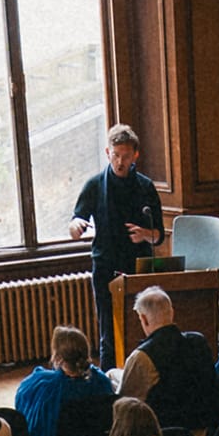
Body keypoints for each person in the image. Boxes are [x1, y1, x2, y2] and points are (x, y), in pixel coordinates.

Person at [68, 120, 166, 365]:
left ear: (136, 155)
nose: (120, 162)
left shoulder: (145, 187)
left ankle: (140, 371)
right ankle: (110, 376)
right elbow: (74, 222)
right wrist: (77, 226)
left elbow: (159, 235)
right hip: (105, 264)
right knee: (107, 330)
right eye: (116, 155)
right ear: (107, 153)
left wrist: (145, 234)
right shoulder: (94, 185)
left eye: (126, 156)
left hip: (138, 265)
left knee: (141, 323)